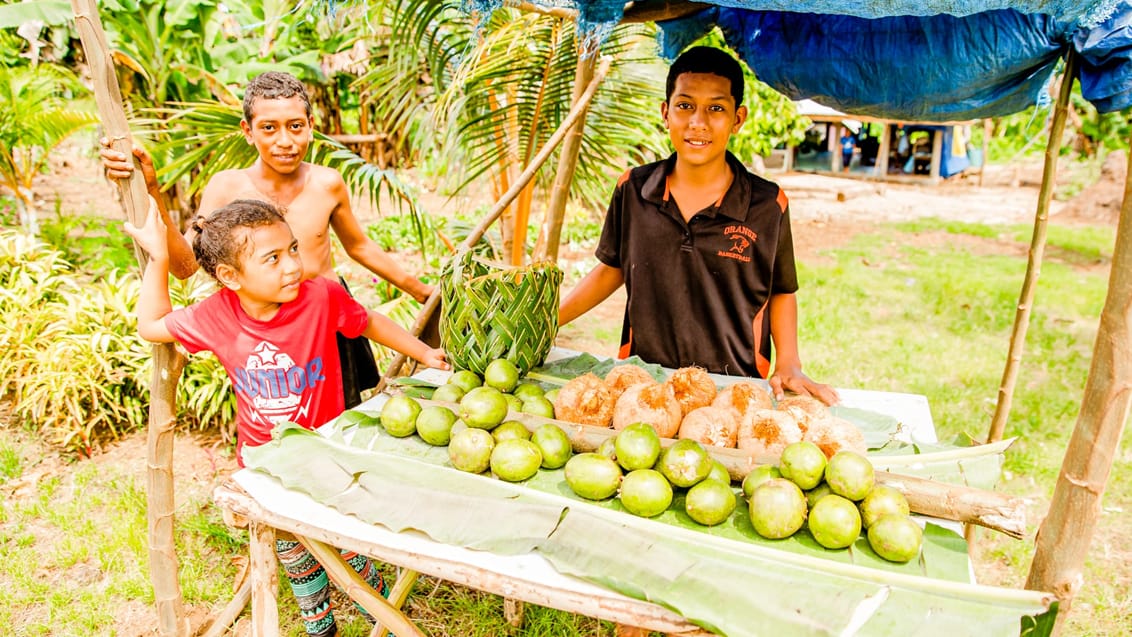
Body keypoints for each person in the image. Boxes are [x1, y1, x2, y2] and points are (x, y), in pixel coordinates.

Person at [126, 197, 448, 637]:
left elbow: (367, 321)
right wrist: (159, 257)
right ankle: (320, 624)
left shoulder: (321, 296)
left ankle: (377, 606)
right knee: (293, 545)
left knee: (346, 536)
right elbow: (153, 325)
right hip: (265, 460)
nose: (292, 265)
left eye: (293, 249)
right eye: (273, 258)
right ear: (230, 276)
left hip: (329, 454)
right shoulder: (217, 314)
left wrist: (425, 353)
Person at [101, 71, 433, 408]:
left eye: (295, 126)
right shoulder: (226, 187)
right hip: (264, 328)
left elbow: (359, 246)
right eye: (269, 128)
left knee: (340, 415)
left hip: (328, 320)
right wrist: (152, 190)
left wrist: (420, 291)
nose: (285, 141)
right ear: (248, 131)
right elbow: (186, 265)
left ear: (311, 126)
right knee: (278, 410)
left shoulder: (327, 183)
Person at [558, 46, 837, 407]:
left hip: (733, 390)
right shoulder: (633, 189)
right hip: (645, 387)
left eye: (716, 109)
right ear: (666, 112)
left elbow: (781, 288)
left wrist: (789, 362)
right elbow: (612, 269)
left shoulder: (768, 205)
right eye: (685, 105)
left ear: (738, 119)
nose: (698, 122)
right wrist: (549, 321)